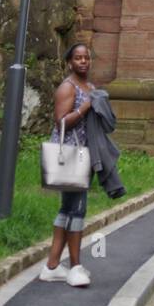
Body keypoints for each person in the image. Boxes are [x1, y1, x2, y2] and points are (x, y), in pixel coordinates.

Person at [38, 42, 95, 287]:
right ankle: (75, 267)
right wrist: (84, 108)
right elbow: (60, 122)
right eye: (78, 58)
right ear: (70, 62)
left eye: (86, 58)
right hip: (70, 154)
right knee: (77, 209)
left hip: (83, 154)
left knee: (67, 209)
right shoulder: (67, 87)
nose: (83, 61)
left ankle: (52, 266)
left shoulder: (90, 87)